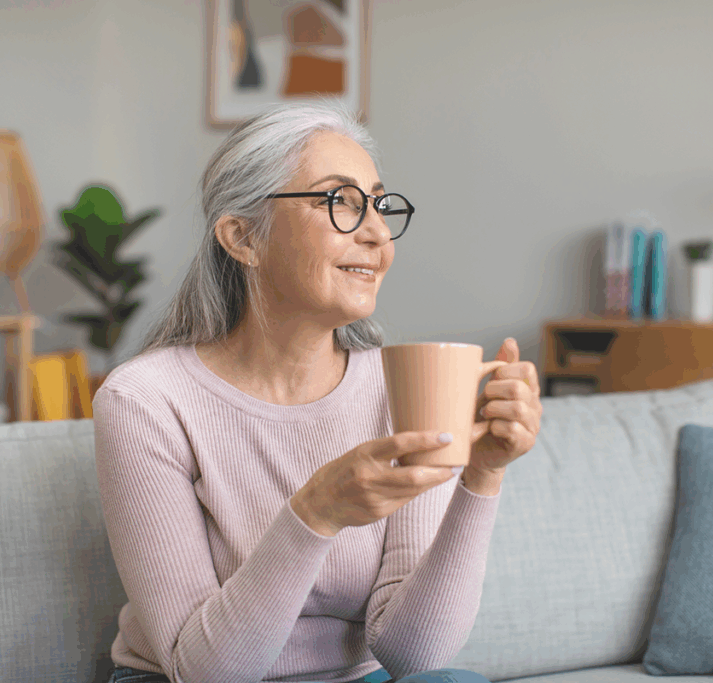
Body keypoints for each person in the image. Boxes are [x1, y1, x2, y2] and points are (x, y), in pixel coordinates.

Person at [94, 99, 543, 683]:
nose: (378, 234)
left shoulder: (397, 384)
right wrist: (316, 513)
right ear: (242, 237)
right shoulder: (145, 401)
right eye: (341, 202)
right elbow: (202, 673)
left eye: (378, 204)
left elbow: (416, 658)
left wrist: (482, 475)